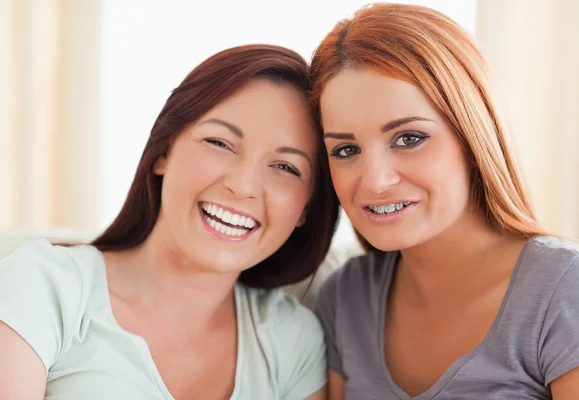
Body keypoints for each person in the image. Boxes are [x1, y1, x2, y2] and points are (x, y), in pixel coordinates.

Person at [0, 44, 338, 399]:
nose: (242, 186)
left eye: (286, 167)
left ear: (306, 208)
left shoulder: (293, 339)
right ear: (164, 151)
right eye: (220, 142)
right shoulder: (44, 285)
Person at [309, 4, 579, 399]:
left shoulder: (571, 291)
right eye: (345, 150)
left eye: (409, 138)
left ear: (472, 134)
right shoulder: (346, 298)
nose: (375, 181)